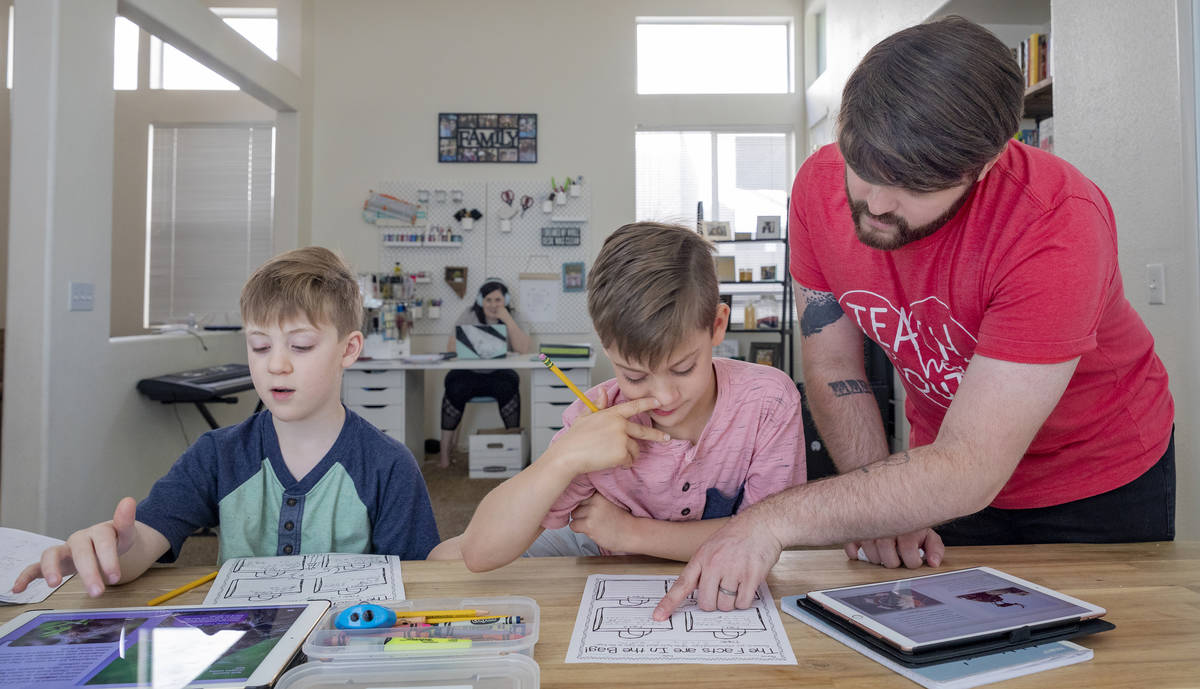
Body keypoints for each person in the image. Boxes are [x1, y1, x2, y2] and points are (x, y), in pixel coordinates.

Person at [654, 16, 1174, 620]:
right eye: (863, 166)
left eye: (911, 185)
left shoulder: (1056, 223)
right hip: (939, 478)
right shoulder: (818, 190)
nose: (874, 203)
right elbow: (833, 364)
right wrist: (881, 502)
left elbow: (972, 465)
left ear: (982, 167)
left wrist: (770, 520)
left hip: (1095, 480)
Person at [13, 247, 440, 598]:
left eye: (302, 346)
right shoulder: (216, 455)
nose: (276, 365)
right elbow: (143, 542)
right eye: (259, 345)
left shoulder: (388, 466)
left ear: (348, 350)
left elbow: (416, 588)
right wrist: (111, 553)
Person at [431, 222, 805, 569]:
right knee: (443, 558)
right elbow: (478, 555)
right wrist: (564, 458)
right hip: (598, 551)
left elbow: (767, 536)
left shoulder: (768, 401)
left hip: (625, 539)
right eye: (634, 375)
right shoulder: (599, 414)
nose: (663, 396)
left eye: (683, 368)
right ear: (607, 349)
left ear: (717, 325)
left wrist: (629, 532)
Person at [438, 278, 533, 468]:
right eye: (488, 300)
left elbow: (523, 349)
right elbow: (450, 346)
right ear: (481, 300)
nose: (493, 304)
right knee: (453, 384)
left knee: (511, 383)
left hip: (499, 374)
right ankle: (444, 456)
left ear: (505, 300)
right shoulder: (469, 314)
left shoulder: (514, 316)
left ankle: (513, 450)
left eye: (498, 300)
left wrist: (507, 320)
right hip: (468, 373)